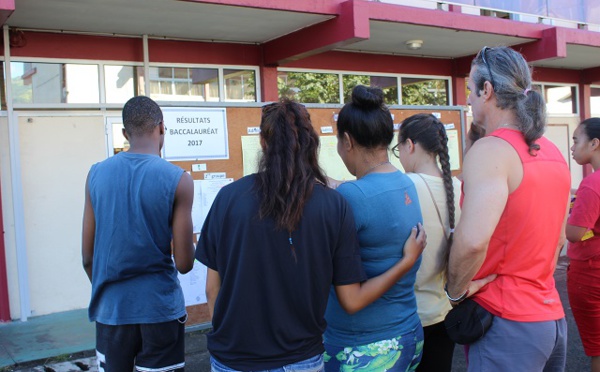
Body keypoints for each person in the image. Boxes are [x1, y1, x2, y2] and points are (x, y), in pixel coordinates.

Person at [195, 99, 426, 372]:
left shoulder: (228, 199)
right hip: (302, 357)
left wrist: (226, 341)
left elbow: (212, 288)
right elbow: (350, 295)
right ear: (310, 143)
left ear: (263, 142)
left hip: (233, 357)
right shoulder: (334, 205)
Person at [446, 46, 570, 371]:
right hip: (550, 319)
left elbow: (472, 242)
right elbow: (558, 242)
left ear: (487, 91)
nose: (468, 100)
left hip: (508, 322)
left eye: (470, 90)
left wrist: (455, 292)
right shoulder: (552, 151)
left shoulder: (491, 150)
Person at [81, 96, 195, 371]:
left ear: (124, 133)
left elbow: (87, 257)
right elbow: (184, 263)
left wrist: (108, 288)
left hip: (112, 310)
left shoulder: (96, 174)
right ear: (161, 128)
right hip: (159, 310)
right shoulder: (179, 179)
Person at [323, 86, 424, 372]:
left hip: (364, 347)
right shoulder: (406, 183)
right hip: (407, 332)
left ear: (347, 141)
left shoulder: (353, 197)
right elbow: (365, 195)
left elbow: (349, 298)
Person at [393, 113, 461, 372]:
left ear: (409, 145)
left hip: (410, 313)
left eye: (398, 149)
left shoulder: (405, 185)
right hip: (444, 310)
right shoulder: (456, 186)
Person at [566, 117, 600, 372]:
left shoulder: (592, 184)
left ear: (595, 144)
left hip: (590, 275)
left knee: (598, 349)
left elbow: (575, 233)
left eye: (577, 140)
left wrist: (565, 213)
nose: (572, 146)